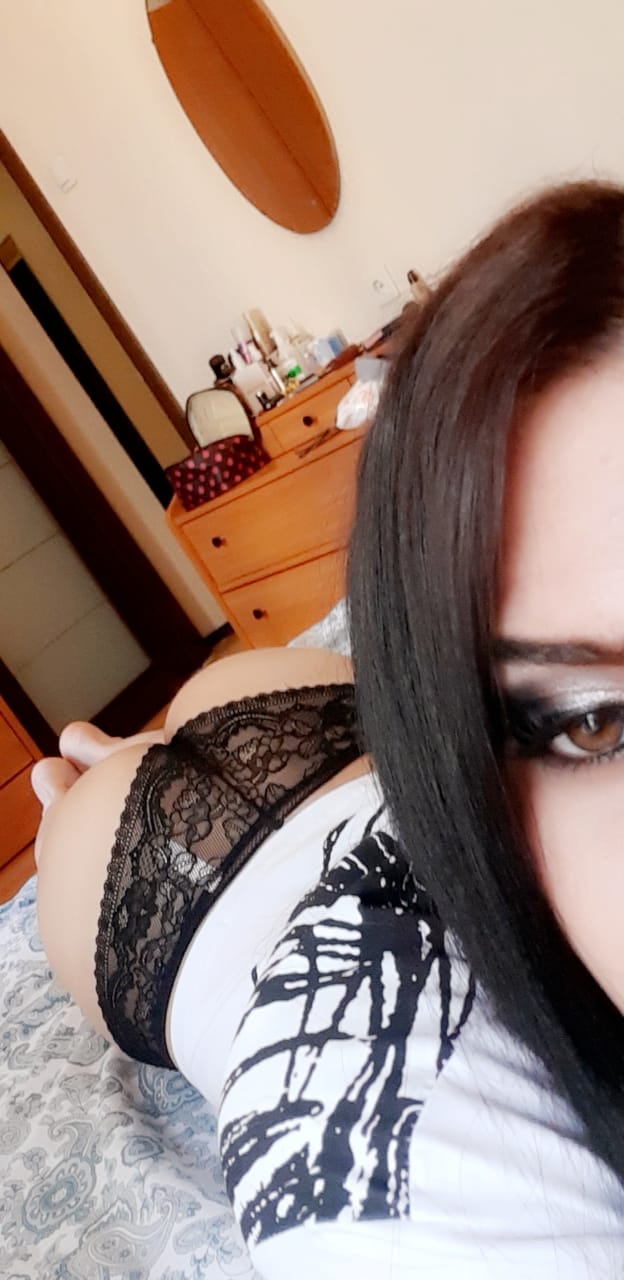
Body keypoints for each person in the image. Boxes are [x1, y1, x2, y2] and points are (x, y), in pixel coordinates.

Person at [32, 181, 624, 1277]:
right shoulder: (430, 1217)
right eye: (597, 721)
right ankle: (100, 777)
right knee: (89, 787)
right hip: (338, 762)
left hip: (235, 844)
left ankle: (102, 779)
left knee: (94, 799)